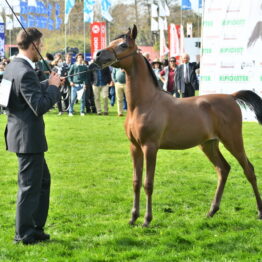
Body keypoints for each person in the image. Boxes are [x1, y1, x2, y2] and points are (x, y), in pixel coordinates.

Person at [3, 27, 61, 245]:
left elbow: (10, 99)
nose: (43, 48)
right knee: (28, 186)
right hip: (28, 138)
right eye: (42, 44)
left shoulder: (12, 67)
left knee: (42, 181)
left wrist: (48, 84)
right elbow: (38, 105)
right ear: (34, 44)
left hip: (19, 134)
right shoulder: (25, 71)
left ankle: (35, 227)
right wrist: (53, 89)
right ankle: (24, 234)